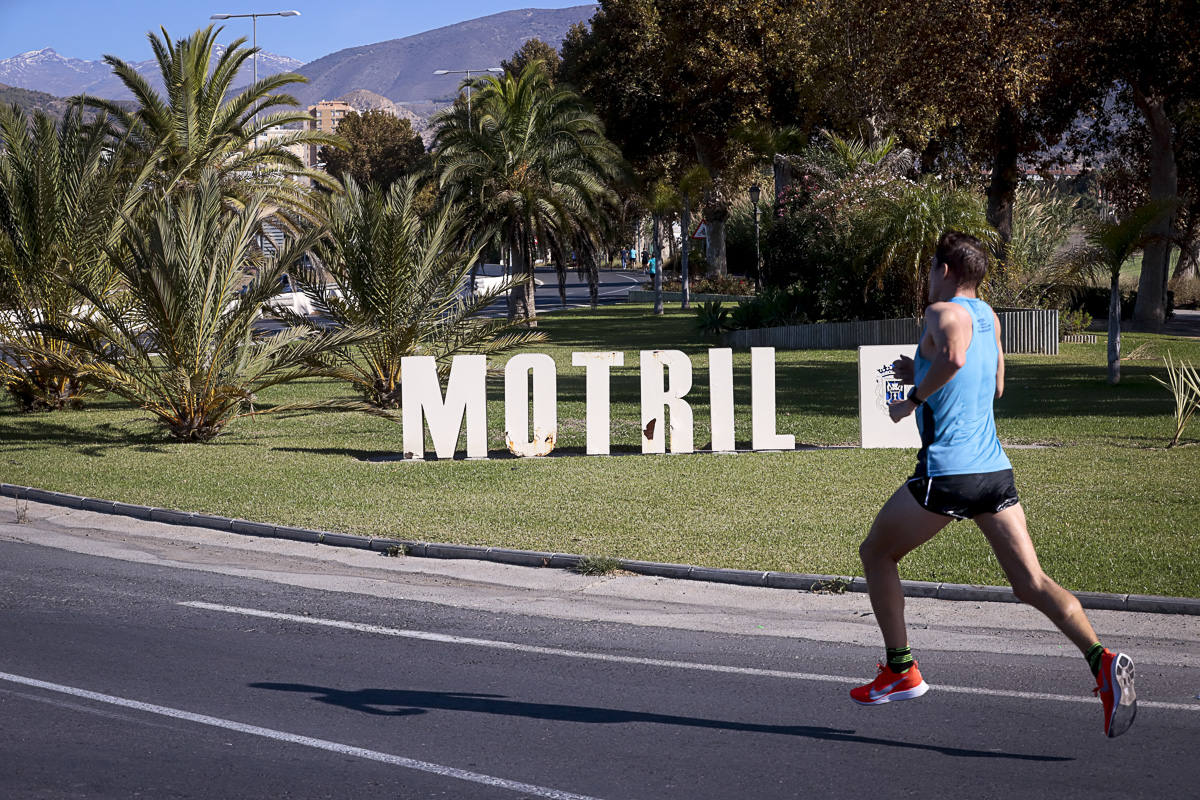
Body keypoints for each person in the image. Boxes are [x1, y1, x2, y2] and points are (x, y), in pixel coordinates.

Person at [851, 231, 1137, 739]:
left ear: (944, 270)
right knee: (1031, 583)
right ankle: (1102, 660)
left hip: (948, 472)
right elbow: (994, 383)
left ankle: (901, 669)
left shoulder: (941, 314)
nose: (927, 278)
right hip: (994, 472)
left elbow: (955, 360)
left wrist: (911, 397)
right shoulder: (990, 318)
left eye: (930, 267)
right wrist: (913, 365)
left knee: (876, 552)